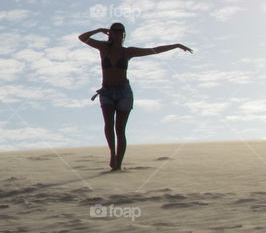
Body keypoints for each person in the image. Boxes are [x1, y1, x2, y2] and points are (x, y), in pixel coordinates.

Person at [78, 22, 193, 171]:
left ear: (124, 35)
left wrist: (176, 45)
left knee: (120, 129)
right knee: (108, 124)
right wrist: (99, 29)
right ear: (110, 33)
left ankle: (118, 162)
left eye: (121, 32)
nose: (118, 34)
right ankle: (112, 153)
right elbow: (82, 37)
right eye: (115, 31)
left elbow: (154, 50)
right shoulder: (103, 48)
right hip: (106, 92)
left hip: (124, 93)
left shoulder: (128, 52)